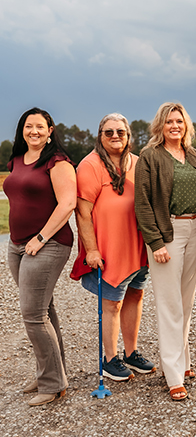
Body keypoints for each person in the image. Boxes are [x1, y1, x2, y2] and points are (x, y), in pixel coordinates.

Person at [135, 103, 196, 401]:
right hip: (167, 233)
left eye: (179, 121)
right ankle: (173, 374)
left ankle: (183, 361)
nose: (174, 126)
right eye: (169, 121)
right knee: (169, 304)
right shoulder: (150, 156)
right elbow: (142, 203)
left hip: (194, 229)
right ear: (160, 125)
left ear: (186, 125)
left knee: (185, 301)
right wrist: (155, 242)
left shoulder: (192, 154)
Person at [71, 113, 155, 382]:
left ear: (128, 135)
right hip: (109, 248)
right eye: (109, 132)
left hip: (137, 245)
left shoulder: (137, 163)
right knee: (112, 304)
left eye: (120, 132)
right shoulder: (90, 165)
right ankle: (110, 359)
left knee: (136, 296)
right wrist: (91, 250)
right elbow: (83, 213)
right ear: (100, 136)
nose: (115, 136)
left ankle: (131, 353)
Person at [4, 108, 76, 406]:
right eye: (28, 126)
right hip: (17, 245)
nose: (33, 131)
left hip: (49, 243)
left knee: (33, 315)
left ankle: (53, 384)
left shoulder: (57, 162)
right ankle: (52, 372)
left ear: (50, 131)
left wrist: (41, 238)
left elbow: (68, 203)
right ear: (22, 130)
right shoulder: (17, 160)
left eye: (39, 127)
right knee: (43, 310)